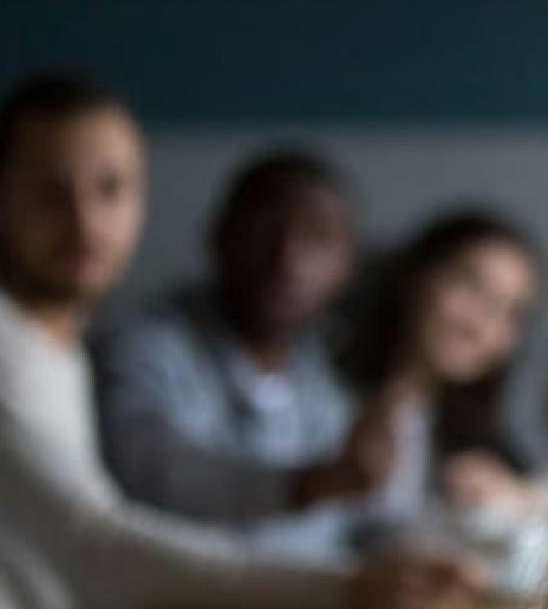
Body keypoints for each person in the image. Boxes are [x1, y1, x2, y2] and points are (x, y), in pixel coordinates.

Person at [0, 74, 480, 609]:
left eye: (111, 190)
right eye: (48, 191)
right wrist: (346, 586)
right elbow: (99, 540)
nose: (84, 222)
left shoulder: (48, 348)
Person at [95, 149, 377, 563]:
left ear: (349, 265)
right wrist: (307, 484)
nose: (288, 260)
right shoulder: (145, 346)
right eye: (266, 227)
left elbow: (373, 526)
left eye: (318, 236)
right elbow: (151, 472)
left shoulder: (338, 370)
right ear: (219, 235)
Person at [342, 210, 548, 557]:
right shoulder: (325, 402)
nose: (479, 326)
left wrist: (518, 497)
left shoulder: (488, 435)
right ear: (414, 276)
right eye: (471, 286)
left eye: (509, 312)